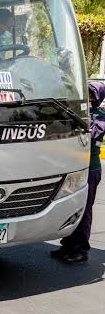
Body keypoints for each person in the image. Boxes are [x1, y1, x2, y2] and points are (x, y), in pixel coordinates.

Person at [52, 80, 105, 264]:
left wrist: (83, 119)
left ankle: (81, 249)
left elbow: (93, 133)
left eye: (91, 95)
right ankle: (68, 245)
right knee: (70, 207)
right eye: (85, 94)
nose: (88, 98)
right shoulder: (76, 114)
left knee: (85, 209)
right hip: (72, 168)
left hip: (90, 169)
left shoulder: (99, 116)